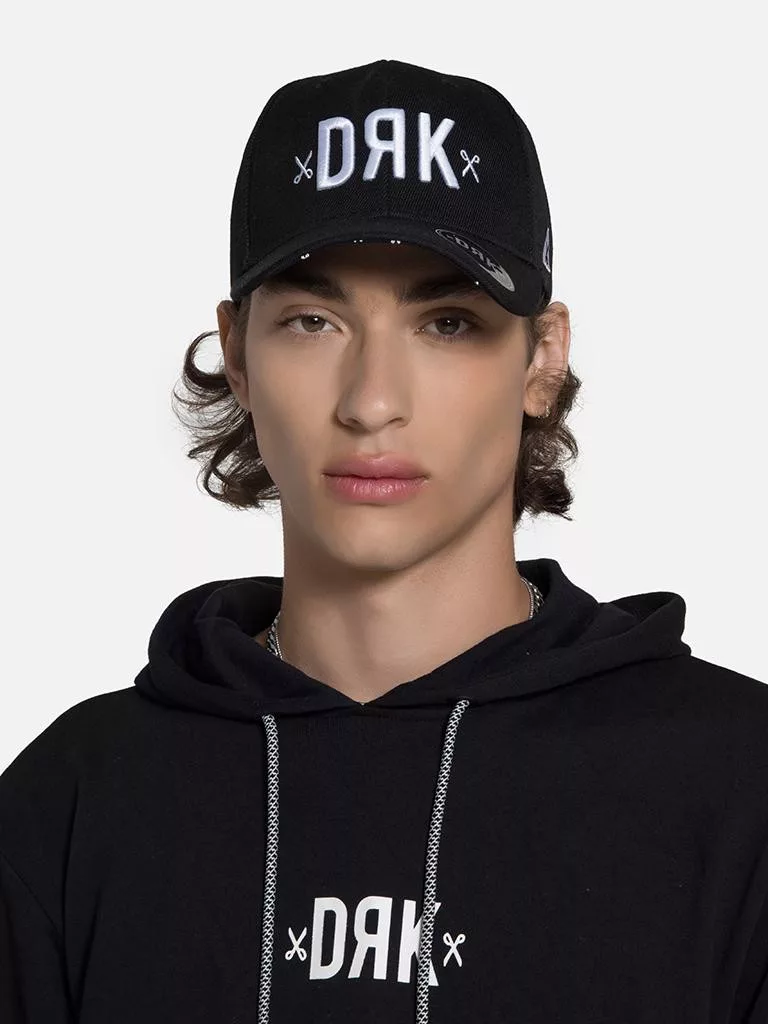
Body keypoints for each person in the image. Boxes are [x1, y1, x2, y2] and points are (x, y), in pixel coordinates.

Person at [1, 58, 767, 1024]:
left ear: (543, 357)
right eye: (312, 321)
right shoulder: (72, 804)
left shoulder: (737, 787)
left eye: (447, 322)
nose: (371, 402)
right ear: (237, 355)